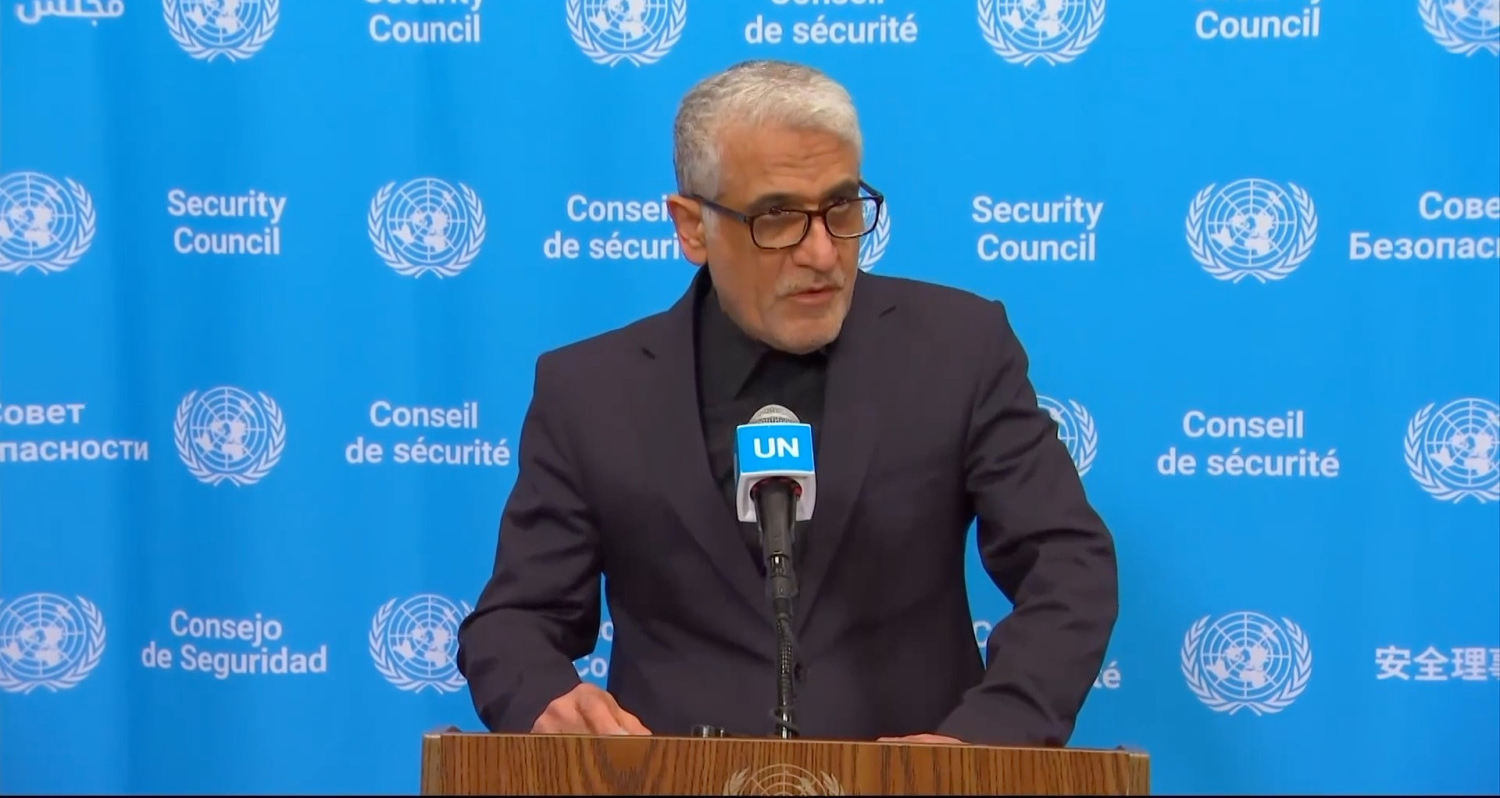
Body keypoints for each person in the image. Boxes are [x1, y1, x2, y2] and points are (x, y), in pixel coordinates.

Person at [455, 59, 1118, 747]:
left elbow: (1068, 567)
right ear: (692, 227)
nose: (823, 254)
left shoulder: (959, 350)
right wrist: (547, 701)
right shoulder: (592, 392)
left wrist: (983, 743)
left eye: (841, 207)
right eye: (777, 217)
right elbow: (514, 623)